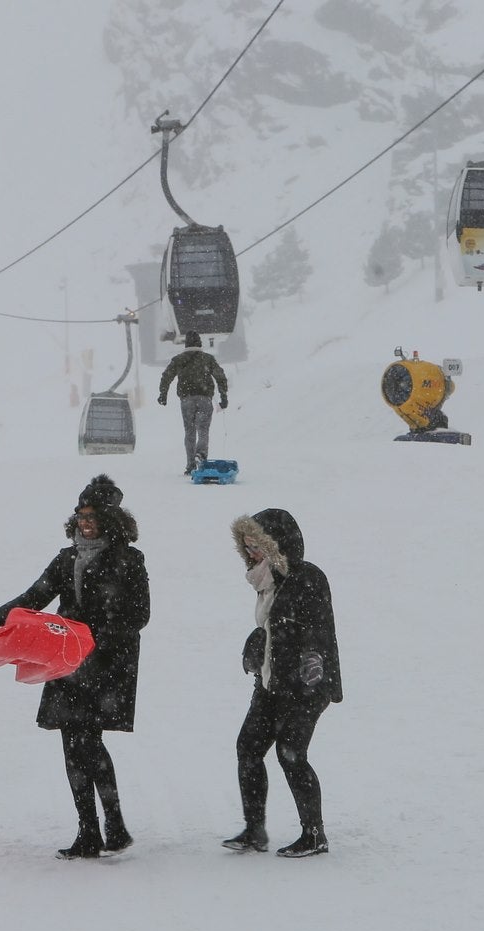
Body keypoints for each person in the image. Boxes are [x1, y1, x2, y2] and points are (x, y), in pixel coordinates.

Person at [0, 475, 151, 859]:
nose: (84, 522)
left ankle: (112, 824)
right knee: (73, 745)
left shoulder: (129, 559)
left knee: (90, 743)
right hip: (66, 662)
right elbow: (31, 599)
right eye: (80, 515)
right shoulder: (66, 559)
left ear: (110, 519)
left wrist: (94, 639)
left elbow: (140, 615)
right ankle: (90, 832)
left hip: (107, 664)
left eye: (92, 516)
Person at [223, 508, 343, 858]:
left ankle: (314, 834)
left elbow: (318, 626)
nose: (252, 553)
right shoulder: (265, 580)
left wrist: (312, 660)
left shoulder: (307, 577)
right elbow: (275, 626)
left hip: (307, 684)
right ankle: (254, 831)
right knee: (248, 748)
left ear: (278, 545)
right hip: (272, 681)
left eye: (258, 545)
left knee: (291, 754)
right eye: (247, 546)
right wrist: (258, 643)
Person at [157, 331, 229, 474]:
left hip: (186, 399)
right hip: (204, 399)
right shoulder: (207, 359)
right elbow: (220, 376)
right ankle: (200, 455)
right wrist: (223, 396)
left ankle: (190, 465)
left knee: (189, 432)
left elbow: (167, 376)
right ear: (200, 343)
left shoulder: (179, 359)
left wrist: (163, 394)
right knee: (203, 430)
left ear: (186, 344)